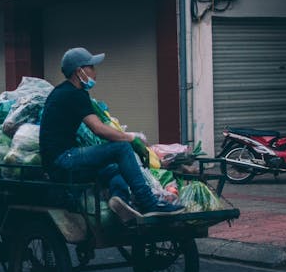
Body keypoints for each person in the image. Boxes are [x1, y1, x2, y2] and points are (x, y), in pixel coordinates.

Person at [39, 47, 183, 219]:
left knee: (115, 167)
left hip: (59, 161)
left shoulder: (62, 91)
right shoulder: (75, 94)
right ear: (79, 71)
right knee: (121, 149)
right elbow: (98, 129)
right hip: (63, 159)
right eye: (91, 67)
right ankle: (148, 202)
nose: (95, 72)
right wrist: (130, 137)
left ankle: (120, 201)